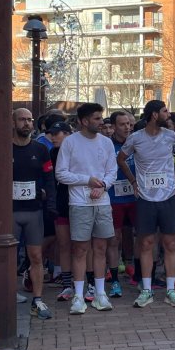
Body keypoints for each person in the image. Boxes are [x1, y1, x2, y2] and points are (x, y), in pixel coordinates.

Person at [117, 100, 175, 308]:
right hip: (146, 198)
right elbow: (121, 159)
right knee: (146, 243)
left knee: (170, 243)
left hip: (168, 196)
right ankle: (146, 290)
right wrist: (133, 182)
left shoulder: (170, 136)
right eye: (165, 111)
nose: (168, 114)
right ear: (154, 114)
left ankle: (171, 290)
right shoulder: (135, 138)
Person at [55, 103, 117, 314]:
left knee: (100, 248)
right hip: (79, 202)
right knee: (80, 249)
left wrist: (103, 186)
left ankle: (100, 293)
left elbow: (112, 171)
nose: (101, 122)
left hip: (102, 202)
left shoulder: (106, 142)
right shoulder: (70, 142)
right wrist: (87, 180)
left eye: (101, 118)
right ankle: (79, 296)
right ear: (84, 121)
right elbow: (61, 173)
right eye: (97, 118)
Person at [10, 108, 57, 319]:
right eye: (22, 120)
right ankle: (8, 293)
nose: (27, 123)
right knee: (9, 256)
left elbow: (49, 179)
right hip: (11, 211)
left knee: (36, 256)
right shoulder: (4, 149)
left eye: (29, 120)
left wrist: (51, 204)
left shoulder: (41, 149)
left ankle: (37, 299)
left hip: (34, 210)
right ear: (13, 123)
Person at [106, 111, 136, 299]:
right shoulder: (107, 145)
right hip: (114, 197)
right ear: (113, 126)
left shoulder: (136, 143)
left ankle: (137, 272)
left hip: (135, 196)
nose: (127, 127)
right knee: (114, 238)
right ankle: (115, 278)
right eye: (123, 124)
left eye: (129, 124)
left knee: (138, 235)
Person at [47, 121, 74, 302]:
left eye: (57, 134)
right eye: (51, 134)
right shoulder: (53, 152)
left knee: (82, 245)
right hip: (61, 202)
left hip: (80, 201)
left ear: (67, 134)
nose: (53, 137)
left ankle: (87, 283)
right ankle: (66, 283)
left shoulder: (77, 150)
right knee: (63, 244)